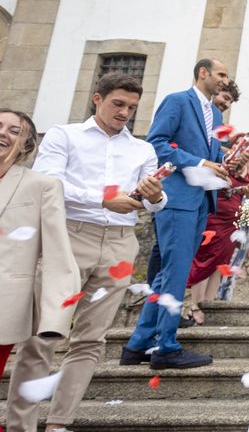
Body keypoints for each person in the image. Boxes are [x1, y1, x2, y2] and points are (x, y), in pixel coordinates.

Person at [7, 75, 169, 432]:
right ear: (97, 98)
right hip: (69, 237)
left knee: (91, 339)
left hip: (120, 242)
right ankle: (21, 427)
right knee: (41, 337)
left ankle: (59, 424)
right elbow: (48, 183)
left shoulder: (142, 150)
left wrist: (154, 195)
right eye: (118, 104)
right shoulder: (65, 135)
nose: (125, 112)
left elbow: (155, 204)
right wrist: (101, 198)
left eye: (131, 107)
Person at [121, 58, 229, 370]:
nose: (224, 80)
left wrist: (222, 163)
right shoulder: (177, 101)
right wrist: (200, 163)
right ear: (203, 73)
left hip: (200, 200)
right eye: (220, 74)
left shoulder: (217, 113)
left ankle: (138, 343)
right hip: (175, 198)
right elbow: (155, 144)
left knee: (167, 273)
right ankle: (165, 346)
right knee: (176, 272)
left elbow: (211, 155)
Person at [0, 109, 80, 382]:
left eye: (14, 131)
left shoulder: (42, 186)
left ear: (27, 144)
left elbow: (58, 257)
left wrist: (54, 318)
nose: (3, 133)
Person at [185, 133, 249, 326]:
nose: (248, 147)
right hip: (215, 215)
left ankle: (209, 304)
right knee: (204, 257)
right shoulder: (223, 161)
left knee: (221, 262)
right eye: (240, 142)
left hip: (232, 220)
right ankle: (193, 304)